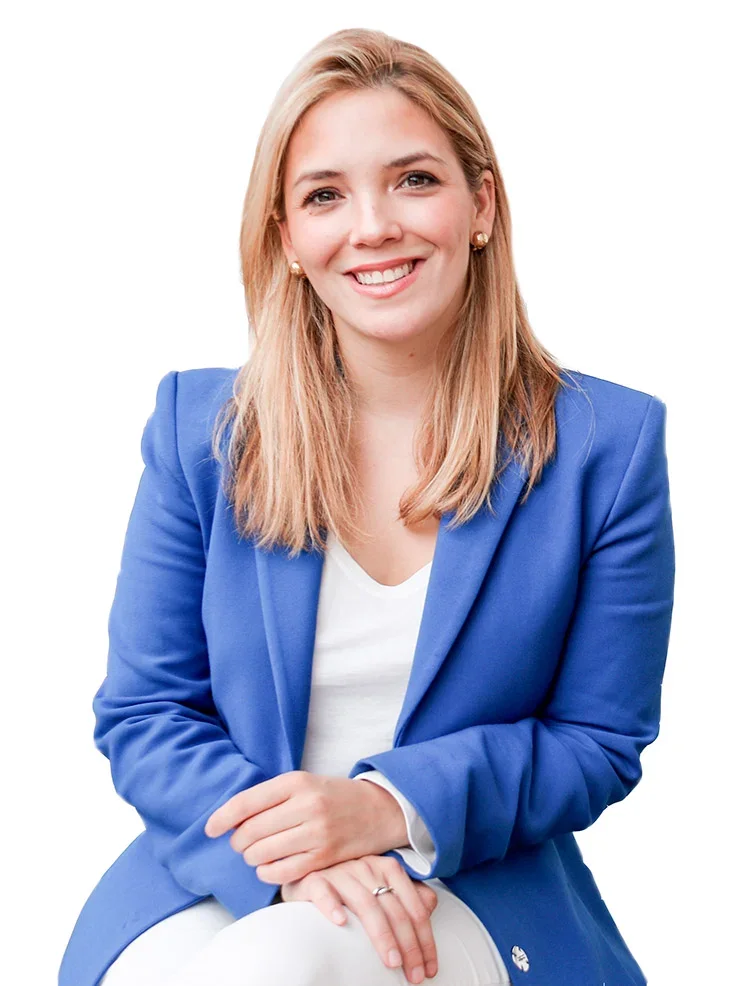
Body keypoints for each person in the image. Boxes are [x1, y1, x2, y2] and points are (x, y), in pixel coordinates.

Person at [58, 26, 675, 986]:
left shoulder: (605, 444)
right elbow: (145, 712)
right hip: (220, 865)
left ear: (481, 204)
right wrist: (298, 854)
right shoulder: (199, 432)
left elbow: (596, 741)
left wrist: (385, 809)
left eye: (413, 180)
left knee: (276, 967)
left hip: (470, 880)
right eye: (324, 195)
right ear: (286, 240)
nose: (374, 225)